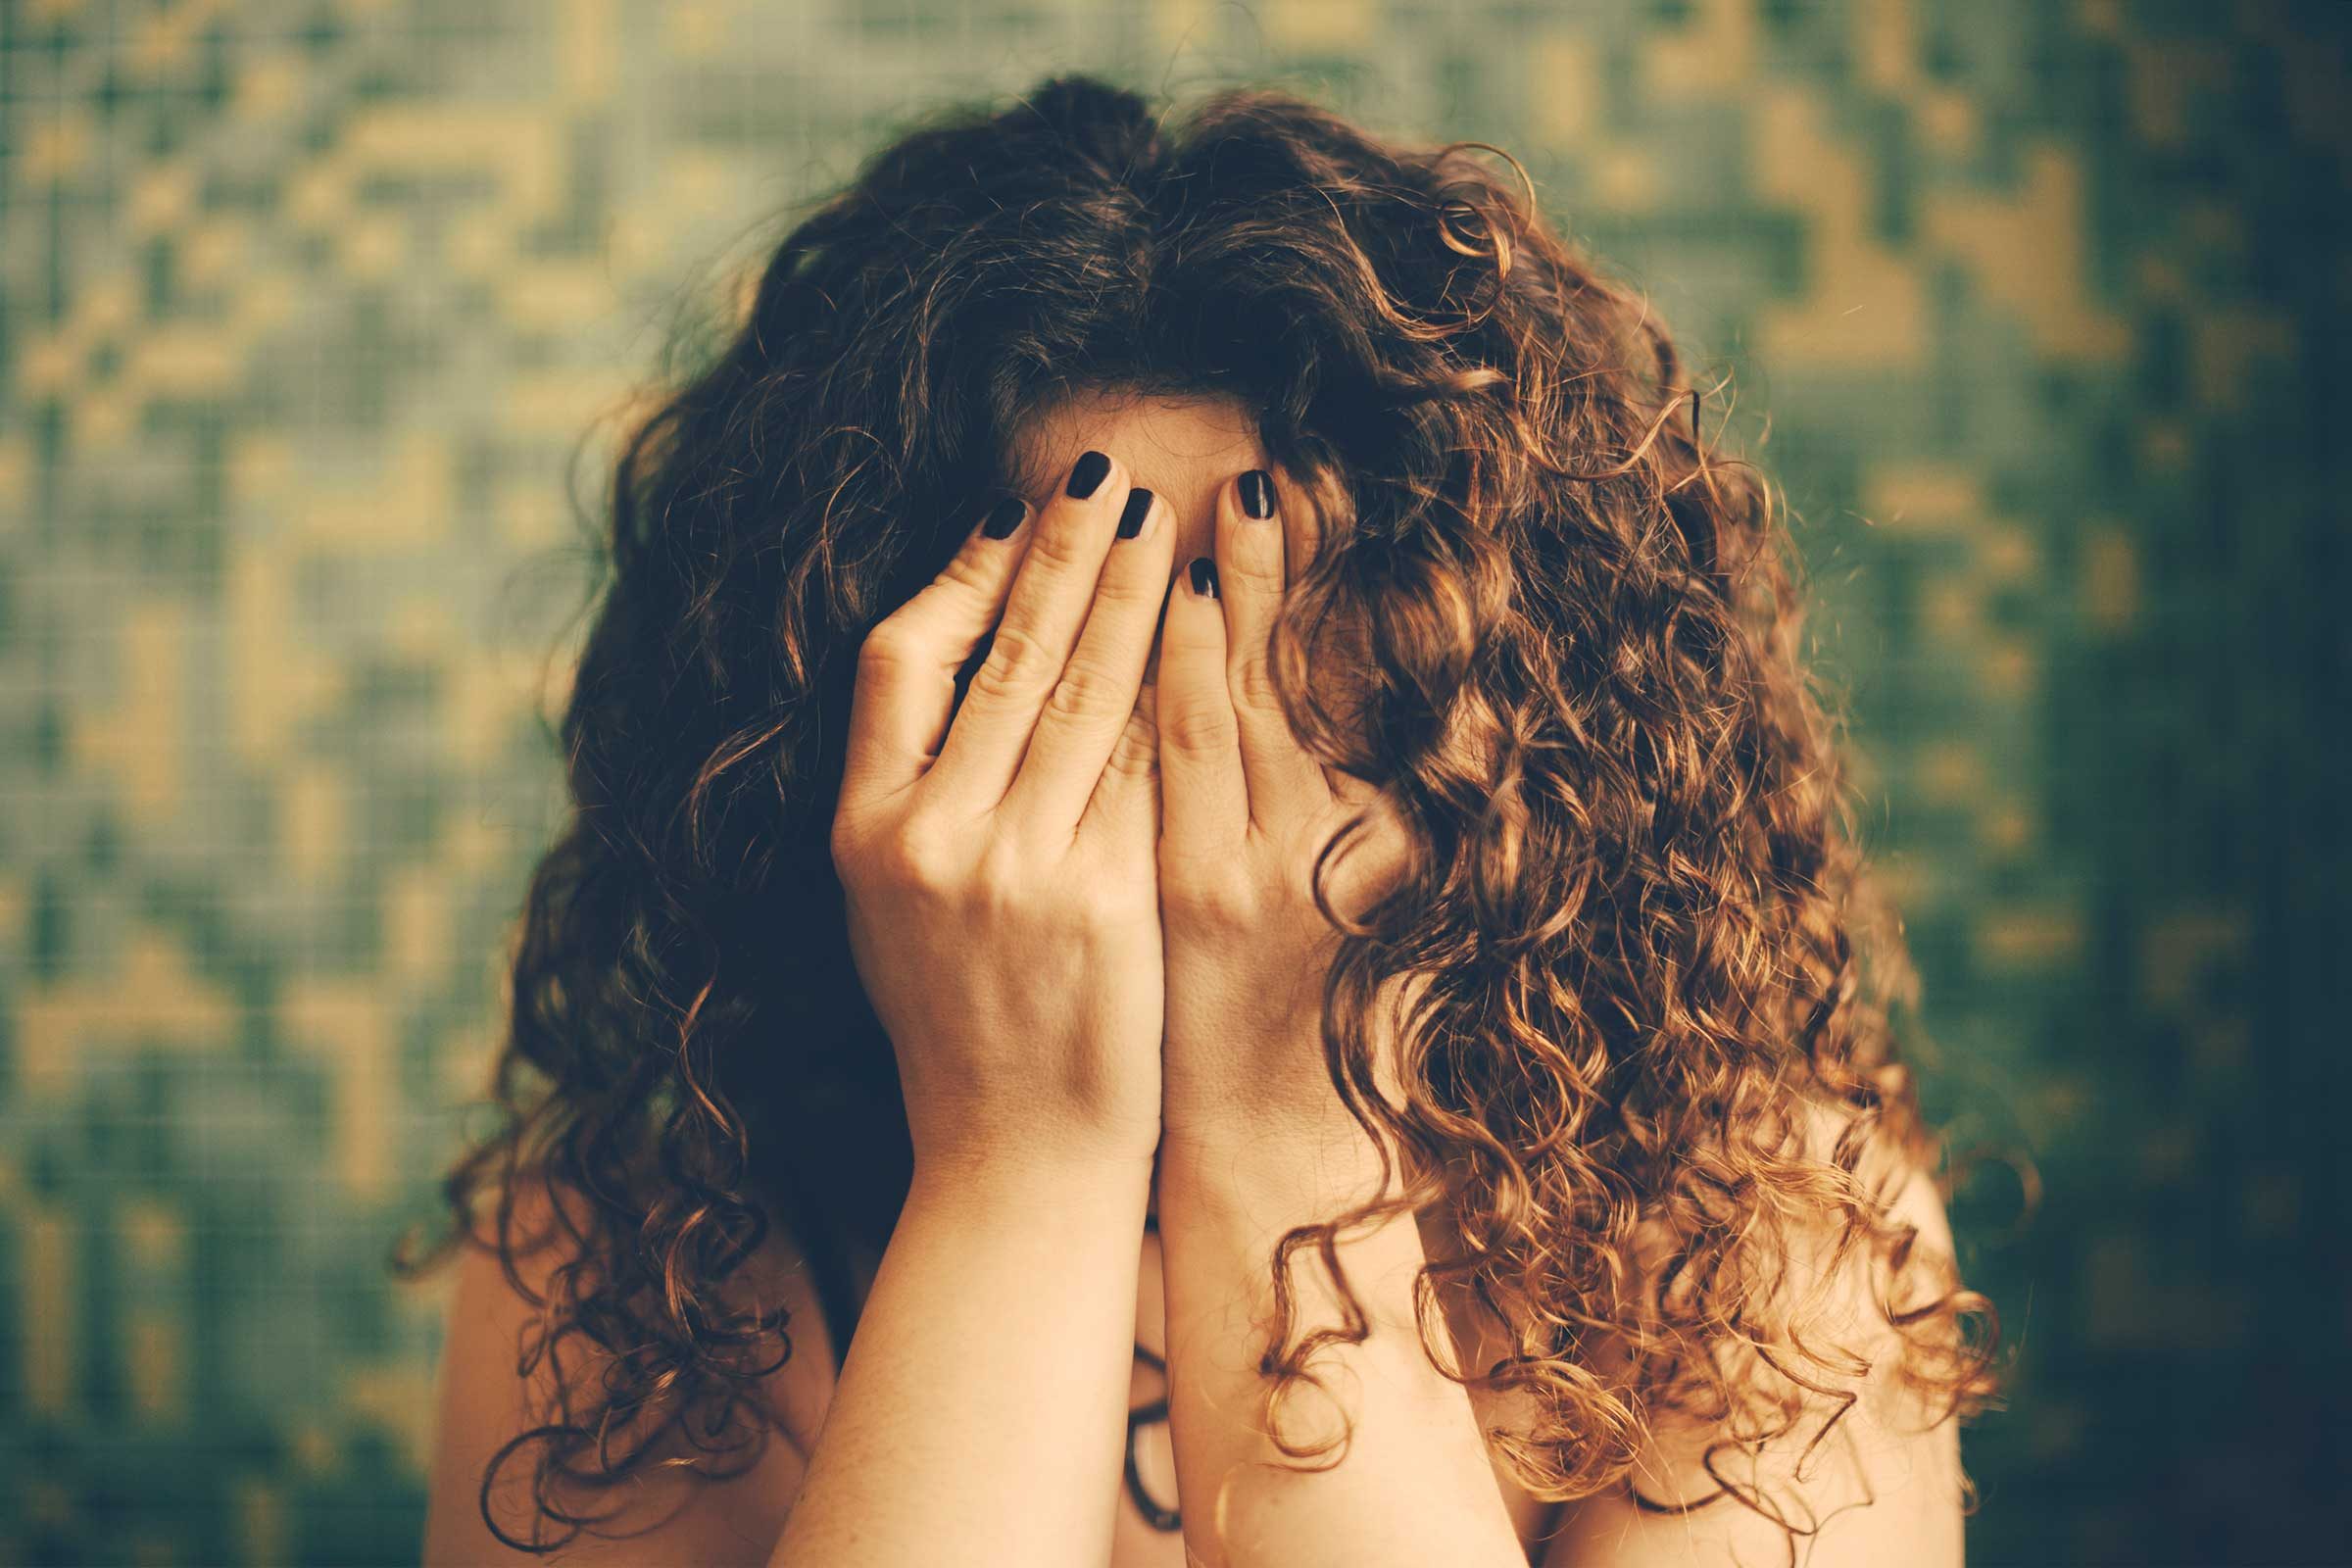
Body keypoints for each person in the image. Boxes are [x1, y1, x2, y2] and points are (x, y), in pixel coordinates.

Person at [397, 74, 2003, 1568]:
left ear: (1503, 722)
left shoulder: (1756, 1247)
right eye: (1072, 682)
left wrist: (1292, 1143)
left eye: (1291, 684)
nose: (1206, 801)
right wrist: (1016, 1167)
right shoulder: (640, 1258)